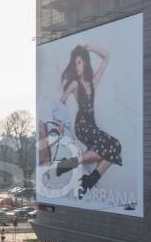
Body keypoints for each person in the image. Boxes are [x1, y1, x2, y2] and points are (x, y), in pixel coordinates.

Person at [49, 44, 122, 198]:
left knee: (115, 147)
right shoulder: (75, 84)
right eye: (75, 63)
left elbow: (107, 55)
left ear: (85, 63)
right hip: (82, 126)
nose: (77, 67)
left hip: (92, 125)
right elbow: (61, 102)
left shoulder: (93, 82)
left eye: (80, 62)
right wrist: (61, 123)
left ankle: (87, 181)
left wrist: (92, 48)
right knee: (111, 147)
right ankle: (72, 165)